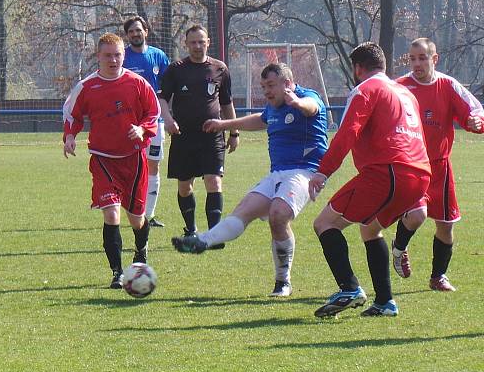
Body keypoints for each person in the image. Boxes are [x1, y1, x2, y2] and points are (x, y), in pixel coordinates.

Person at [171, 63, 328, 297]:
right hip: (277, 174)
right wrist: (225, 124)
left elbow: (312, 108)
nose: (266, 91)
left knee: (278, 215)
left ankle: (282, 281)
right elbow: (260, 119)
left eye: (271, 86)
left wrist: (296, 102)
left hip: (305, 172)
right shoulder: (273, 106)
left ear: (287, 84)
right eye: (263, 86)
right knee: (243, 211)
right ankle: (202, 241)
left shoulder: (307, 96)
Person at [308, 42, 431, 318]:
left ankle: (350, 288)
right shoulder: (406, 94)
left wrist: (323, 171)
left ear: (357, 68)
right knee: (369, 229)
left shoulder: (365, 89)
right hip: (418, 174)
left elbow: (347, 133)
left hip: (385, 172)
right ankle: (385, 302)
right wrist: (418, 194)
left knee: (324, 223)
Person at [63, 32, 160, 288]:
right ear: (99, 56)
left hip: (134, 158)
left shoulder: (137, 83)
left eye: (117, 55)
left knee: (137, 219)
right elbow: (71, 112)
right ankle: (117, 272)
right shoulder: (87, 86)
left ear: (123, 55)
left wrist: (142, 129)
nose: (113, 60)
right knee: (111, 214)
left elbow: (153, 112)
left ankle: (141, 250)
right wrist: (70, 136)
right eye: (108, 55)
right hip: (103, 160)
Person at [392, 38, 484, 291]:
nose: (417, 63)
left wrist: (476, 122)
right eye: (412, 59)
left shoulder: (447, 85)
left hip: (440, 168)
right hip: (410, 165)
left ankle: (438, 277)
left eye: (422, 58)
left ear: (435, 59)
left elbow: (475, 110)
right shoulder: (399, 87)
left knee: (446, 224)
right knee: (417, 215)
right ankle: (399, 249)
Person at [158, 25, 239, 238]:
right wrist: (168, 120)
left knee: (214, 181)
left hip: (212, 136)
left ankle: (214, 233)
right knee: (185, 186)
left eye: (201, 41)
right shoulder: (176, 69)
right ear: (186, 44)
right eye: (193, 42)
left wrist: (234, 132)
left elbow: (227, 103)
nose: (197, 46)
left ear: (208, 42)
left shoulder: (220, 69)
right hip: (183, 137)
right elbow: (162, 98)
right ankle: (191, 229)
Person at [123, 16, 170, 228]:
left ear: (146, 32)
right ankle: (133, 210)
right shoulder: (122, 57)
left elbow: (168, 89)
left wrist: (169, 115)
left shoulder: (158, 56)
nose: (135, 34)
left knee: (153, 166)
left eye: (138, 30)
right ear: (127, 35)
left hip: (155, 122)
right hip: (129, 123)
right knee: (131, 167)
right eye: (131, 31)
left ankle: (148, 216)